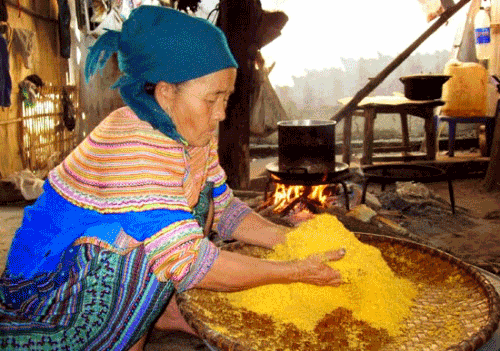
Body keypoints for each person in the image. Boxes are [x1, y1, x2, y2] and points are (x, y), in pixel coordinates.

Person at [0, 6, 345, 351]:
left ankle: (153, 316)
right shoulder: (133, 143)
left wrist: (291, 243)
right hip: (47, 283)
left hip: (97, 264)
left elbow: (225, 212)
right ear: (165, 92)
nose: (222, 113)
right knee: (161, 247)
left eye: (227, 97)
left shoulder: (190, 133)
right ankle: (112, 336)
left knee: (202, 201)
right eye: (213, 99)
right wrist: (294, 271)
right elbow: (188, 260)